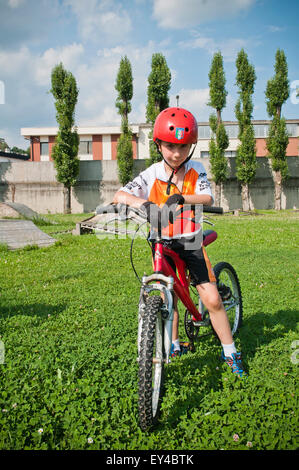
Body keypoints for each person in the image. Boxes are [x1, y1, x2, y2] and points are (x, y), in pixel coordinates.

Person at [113, 107, 246, 378]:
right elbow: (120, 194)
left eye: (183, 147)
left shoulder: (196, 169)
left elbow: (207, 198)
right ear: (159, 144)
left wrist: (184, 198)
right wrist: (144, 203)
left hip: (190, 241)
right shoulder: (151, 174)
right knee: (166, 296)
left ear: (191, 146)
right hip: (161, 241)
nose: (177, 153)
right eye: (171, 146)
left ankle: (231, 351)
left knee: (211, 299)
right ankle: (173, 346)